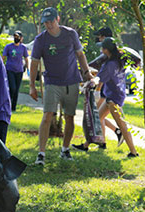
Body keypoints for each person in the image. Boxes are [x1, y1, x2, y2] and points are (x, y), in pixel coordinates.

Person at [29, 7, 93, 165]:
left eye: (51, 21)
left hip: (71, 81)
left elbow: (80, 55)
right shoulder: (40, 40)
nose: (49, 25)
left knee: (69, 116)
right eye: (46, 22)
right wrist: (32, 85)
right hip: (52, 82)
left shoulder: (70, 34)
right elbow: (34, 63)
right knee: (47, 116)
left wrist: (87, 73)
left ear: (57, 19)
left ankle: (65, 150)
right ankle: (41, 154)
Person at [72, 37, 138, 158]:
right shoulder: (119, 60)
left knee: (122, 126)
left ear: (106, 50)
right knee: (96, 120)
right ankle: (86, 145)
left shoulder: (109, 64)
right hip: (115, 95)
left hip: (113, 99)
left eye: (102, 48)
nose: (101, 50)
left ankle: (133, 152)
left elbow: (98, 79)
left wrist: (89, 83)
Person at [92, 27, 124, 148]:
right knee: (100, 116)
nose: (99, 39)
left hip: (107, 87)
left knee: (99, 116)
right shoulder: (109, 52)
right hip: (109, 88)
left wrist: (97, 90)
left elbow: (105, 72)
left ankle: (107, 139)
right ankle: (105, 140)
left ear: (105, 37)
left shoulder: (109, 53)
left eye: (100, 36)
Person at [2, 30, 29, 111]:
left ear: (21, 39)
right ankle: (8, 105)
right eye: (15, 37)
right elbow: (3, 58)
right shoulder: (8, 47)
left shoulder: (23, 47)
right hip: (10, 70)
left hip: (19, 71)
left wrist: (28, 69)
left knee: (16, 90)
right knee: (12, 88)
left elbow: (26, 59)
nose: (16, 38)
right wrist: (1, 68)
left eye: (18, 37)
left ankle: (13, 108)